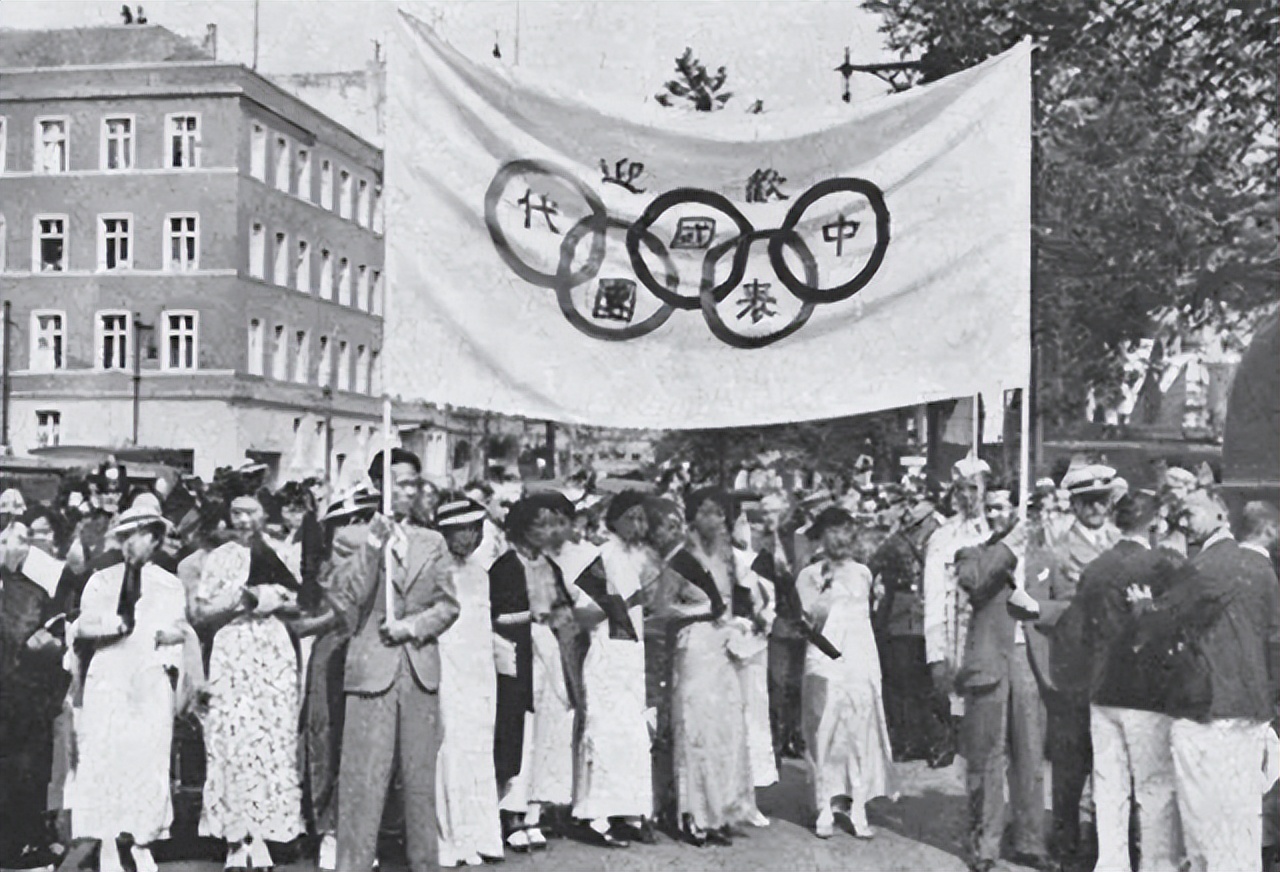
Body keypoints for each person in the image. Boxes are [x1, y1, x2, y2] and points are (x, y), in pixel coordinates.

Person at [1130, 490, 1279, 872]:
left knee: (1205, 822)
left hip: (1210, 712)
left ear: (1220, 512)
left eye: (1191, 511)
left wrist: (1140, 607)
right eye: (1179, 513)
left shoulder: (1209, 565)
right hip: (1250, 709)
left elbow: (1162, 621)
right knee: (1242, 821)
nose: (1182, 519)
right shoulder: (1259, 567)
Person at [327, 448, 460, 872]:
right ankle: (354, 864)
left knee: (420, 786)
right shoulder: (351, 537)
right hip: (371, 673)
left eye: (414, 484)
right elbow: (345, 603)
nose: (408, 492)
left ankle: (424, 864)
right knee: (363, 784)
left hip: (419, 671)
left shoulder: (433, 541)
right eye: (400, 483)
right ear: (378, 486)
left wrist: (413, 627)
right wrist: (372, 545)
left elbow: (448, 605)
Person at [67, 505, 200, 872]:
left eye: (141, 534)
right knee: (107, 756)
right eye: (125, 535)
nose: (132, 542)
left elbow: (177, 631)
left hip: (149, 676)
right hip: (109, 675)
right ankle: (108, 840)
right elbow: (83, 626)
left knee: (149, 760)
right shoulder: (101, 579)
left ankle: (143, 840)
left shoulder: (169, 583)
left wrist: (172, 639)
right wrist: (113, 624)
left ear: (155, 540)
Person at [192, 494, 306, 870]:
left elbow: (299, 603)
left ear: (263, 515)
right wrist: (236, 602)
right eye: (236, 512)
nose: (242, 519)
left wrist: (270, 599)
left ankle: (264, 835)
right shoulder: (218, 557)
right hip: (232, 647)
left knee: (271, 740)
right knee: (233, 741)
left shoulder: (278, 551)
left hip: (272, 651)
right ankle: (234, 837)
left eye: (250, 512)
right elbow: (201, 611)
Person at [1073, 491, 1184, 872]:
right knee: (1153, 787)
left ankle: (1111, 864)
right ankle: (1157, 864)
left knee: (1109, 785)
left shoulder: (1095, 567)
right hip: (1147, 692)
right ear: (1153, 523)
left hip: (1102, 689)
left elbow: (1081, 632)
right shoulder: (1163, 566)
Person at [953, 491, 1051, 872]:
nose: (995, 514)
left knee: (1030, 756)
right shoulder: (973, 555)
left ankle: (1030, 840)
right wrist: (1008, 546)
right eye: (990, 508)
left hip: (1030, 664)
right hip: (991, 664)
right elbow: (976, 584)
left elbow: (1062, 606)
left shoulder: (1044, 559)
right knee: (987, 757)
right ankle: (986, 844)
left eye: (1003, 508)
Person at [289, 484, 380, 872]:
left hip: (371, 654)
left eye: (363, 519)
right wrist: (335, 616)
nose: (358, 528)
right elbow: (299, 624)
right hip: (330, 657)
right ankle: (328, 829)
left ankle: (359, 830)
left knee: (366, 745)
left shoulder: (381, 562)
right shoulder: (318, 570)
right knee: (328, 740)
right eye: (350, 522)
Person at [796, 506, 895, 841]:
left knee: (858, 728)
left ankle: (857, 805)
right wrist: (823, 591)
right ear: (822, 536)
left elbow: (869, 617)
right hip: (824, 657)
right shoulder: (809, 574)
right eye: (832, 531)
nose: (840, 538)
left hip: (860, 657)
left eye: (845, 530)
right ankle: (823, 804)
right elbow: (805, 622)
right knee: (823, 728)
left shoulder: (864, 572)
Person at [491, 496, 578, 851]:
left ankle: (534, 811)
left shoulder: (550, 566)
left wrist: (560, 619)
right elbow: (498, 615)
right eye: (538, 524)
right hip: (519, 650)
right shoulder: (507, 566)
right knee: (520, 731)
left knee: (548, 728)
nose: (546, 531)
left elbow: (563, 607)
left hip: (548, 648)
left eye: (550, 524)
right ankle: (510, 812)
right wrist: (533, 618)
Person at [1045, 463, 1121, 867]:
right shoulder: (1057, 551)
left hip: (1116, 672)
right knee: (1071, 765)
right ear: (1074, 505)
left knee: (1110, 767)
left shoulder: (1122, 544)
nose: (1095, 508)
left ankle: (1105, 846)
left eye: (1101, 500)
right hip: (1076, 669)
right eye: (1087, 501)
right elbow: (1044, 607)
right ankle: (1066, 845)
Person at [571, 490, 657, 846]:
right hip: (606, 656)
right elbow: (582, 610)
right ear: (614, 520)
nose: (637, 525)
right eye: (630, 518)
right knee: (605, 733)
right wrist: (618, 603)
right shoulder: (603, 556)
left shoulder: (636, 559)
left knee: (632, 736)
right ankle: (594, 815)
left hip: (630, 657)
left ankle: (627, 811)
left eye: (641, 518)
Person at [674, 488, 756, 845]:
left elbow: (741, 600)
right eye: (705, 513)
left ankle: (720, 810)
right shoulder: (681, 558)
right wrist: (700, 613)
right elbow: (663, 607)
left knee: (726, 727)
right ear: (693, 517)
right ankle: (693, 813)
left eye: (719, 514)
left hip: (723, 644)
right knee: (697, 726)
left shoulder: (728, 558)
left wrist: (739, 624)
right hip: (694, 645)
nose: (713, 520)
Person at [433, 496, 504, 866]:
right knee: (451, 750)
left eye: (477, 530)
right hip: (447, 669)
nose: (472, 538)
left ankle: (480, 836)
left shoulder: (481, 574)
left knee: (478, 748)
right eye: (464, 530)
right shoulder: (436, 570)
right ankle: (451, 838)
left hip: (479, 673)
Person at [869, 497, 952, 764]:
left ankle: (921, 741)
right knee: (916, 685)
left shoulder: (900, 542)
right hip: (910, 619)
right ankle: (928, 742)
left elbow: (870, 567)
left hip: (908, 618)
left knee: (914, 686)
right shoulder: (926, 543)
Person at [923, 457, 992, 726]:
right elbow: (933, 596)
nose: (966, 496)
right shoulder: (943, 537)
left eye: (973, 488)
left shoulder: (998, 531)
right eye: (960, 488)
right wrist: (935, 654)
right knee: (958, 710)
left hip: (992, 634)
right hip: (955, 635)